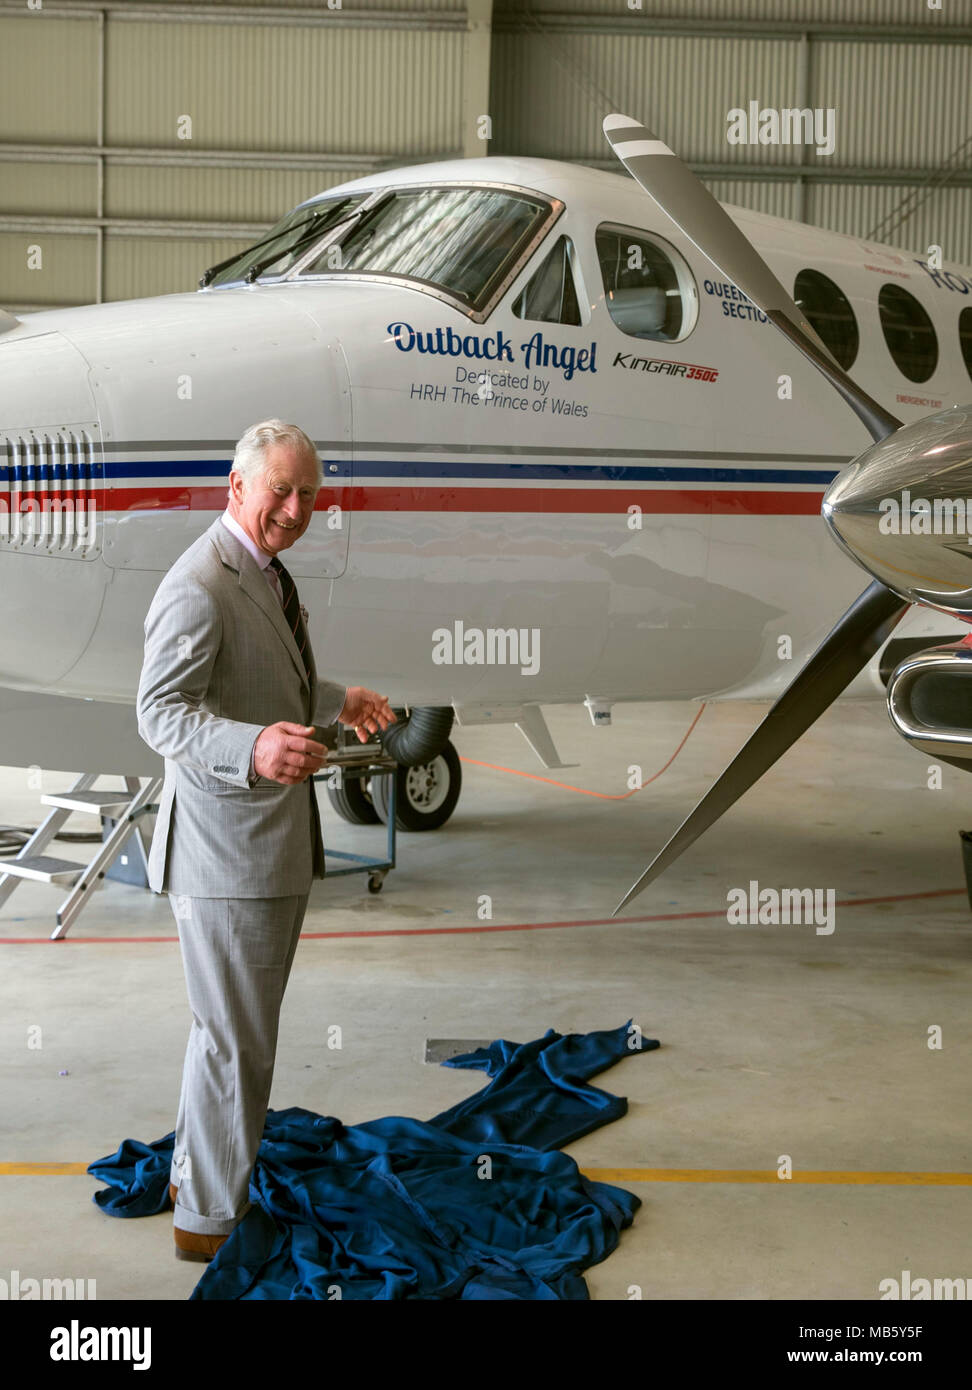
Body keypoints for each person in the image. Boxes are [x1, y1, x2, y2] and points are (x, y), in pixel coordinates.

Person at [136, 418, 395, 1262]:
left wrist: (336, 697)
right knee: (235, 1042)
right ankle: (208, 1222)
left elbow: (261, 675)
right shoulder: (199, 584)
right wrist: (250, 749)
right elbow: (161, 713)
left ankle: (192, 1176)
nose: (294, 507)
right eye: (280, 489)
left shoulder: (261, 572)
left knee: (227, 1032)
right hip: (226, 855)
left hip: (260, 847)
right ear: (237, 487)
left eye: (308, 494)